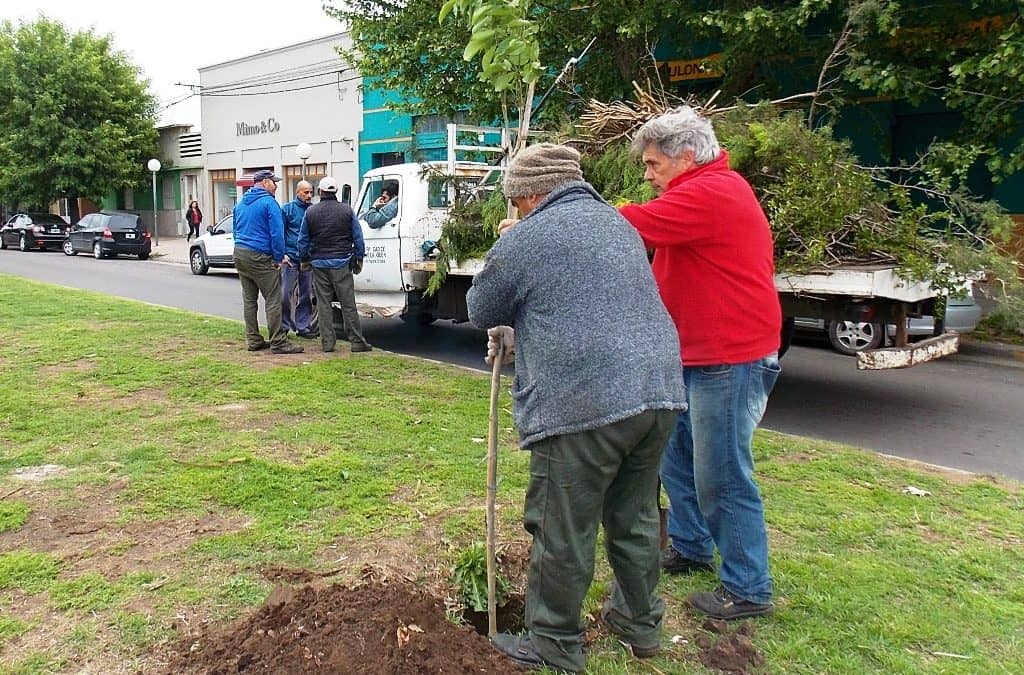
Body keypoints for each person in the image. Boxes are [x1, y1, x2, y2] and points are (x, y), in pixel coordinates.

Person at [467, 143, 687, 673]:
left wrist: (513, 243)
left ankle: (554, 643)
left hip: (586, 401)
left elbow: (480, 308)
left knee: (562, 525)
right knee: (633, 515)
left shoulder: (530, 235)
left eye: (518, 203)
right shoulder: (618, 224)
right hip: (658, 390)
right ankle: (640, 624)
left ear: (532, 195)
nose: (518, 211)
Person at [618, 106, 782, 620]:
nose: (647, 176)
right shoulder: (699, 191)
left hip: (727, 358)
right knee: (675, 458)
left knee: (723, 474)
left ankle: (748, 588)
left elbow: (628, 224)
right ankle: (690, 546)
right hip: (691, 353)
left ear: (685, 156)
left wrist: (555, 215)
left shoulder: (711, 193)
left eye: (652, 165)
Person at [232, 169, 304, 355]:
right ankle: (278, 342)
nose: (276, 185)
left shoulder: (240, 204)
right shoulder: (269, 203)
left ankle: (253, 339)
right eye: (273, 182)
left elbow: (236, 231)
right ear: (264, 183)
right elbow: (277, 234)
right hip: (259, 256)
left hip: (240, 253)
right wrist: (279, 257)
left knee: (249, 300)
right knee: (273, 299)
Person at [297, 176, 372, 353]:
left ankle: (327, 344)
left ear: (320, 192)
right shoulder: (346, 211)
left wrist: (305, 259)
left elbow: (302, 241)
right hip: (342, 262)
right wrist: (358, 257)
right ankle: (356, 342)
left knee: (324, 304)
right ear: (336, 192)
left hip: (319, 263)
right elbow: (358, 237)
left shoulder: (311, 212)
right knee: (348, 303)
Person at [281, 181, 316, 339]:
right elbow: (279, 232)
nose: (309, 196)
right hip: (290, 258)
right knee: (285, 294)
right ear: (298, 192)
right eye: (306, 192)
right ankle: (284, 326)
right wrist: (282, 254)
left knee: (306, 294)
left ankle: (303, 326)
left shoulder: (313, 210)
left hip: (307, 259)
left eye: (310, 192)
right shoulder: (287, 209)